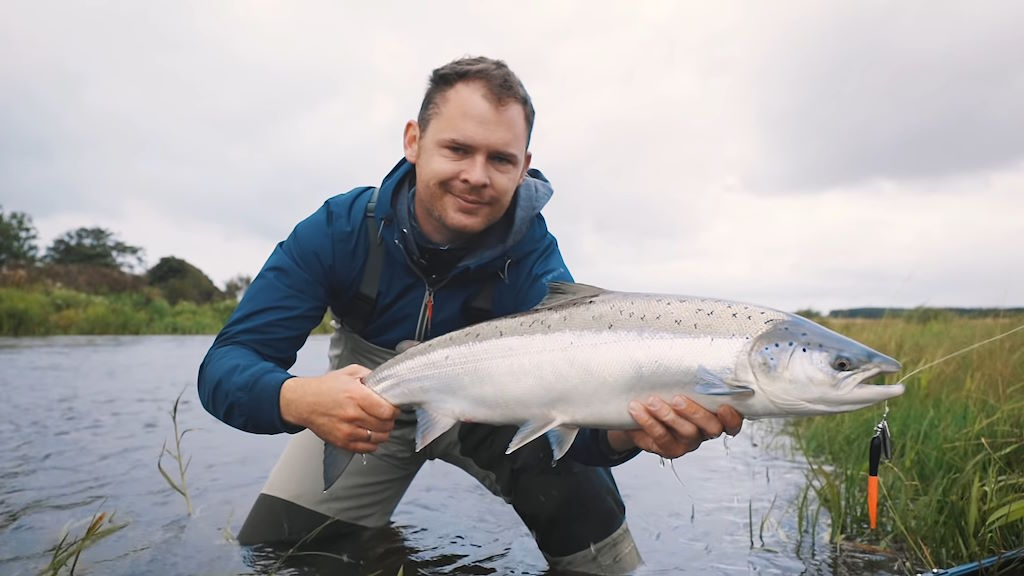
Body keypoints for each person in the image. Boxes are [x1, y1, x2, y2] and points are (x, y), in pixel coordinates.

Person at [198, 56, 742, 575]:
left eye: (501, 159)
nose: (477, 176)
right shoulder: (338, 231)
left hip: (492, 414)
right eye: (458, 149)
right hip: (366, 408)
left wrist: (632, 432)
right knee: (280, 554)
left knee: (588, 525)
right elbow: (226, 366)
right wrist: (301, 399)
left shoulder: (535, 263)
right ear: (414, 141)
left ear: (524, 167)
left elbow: (579, 418)